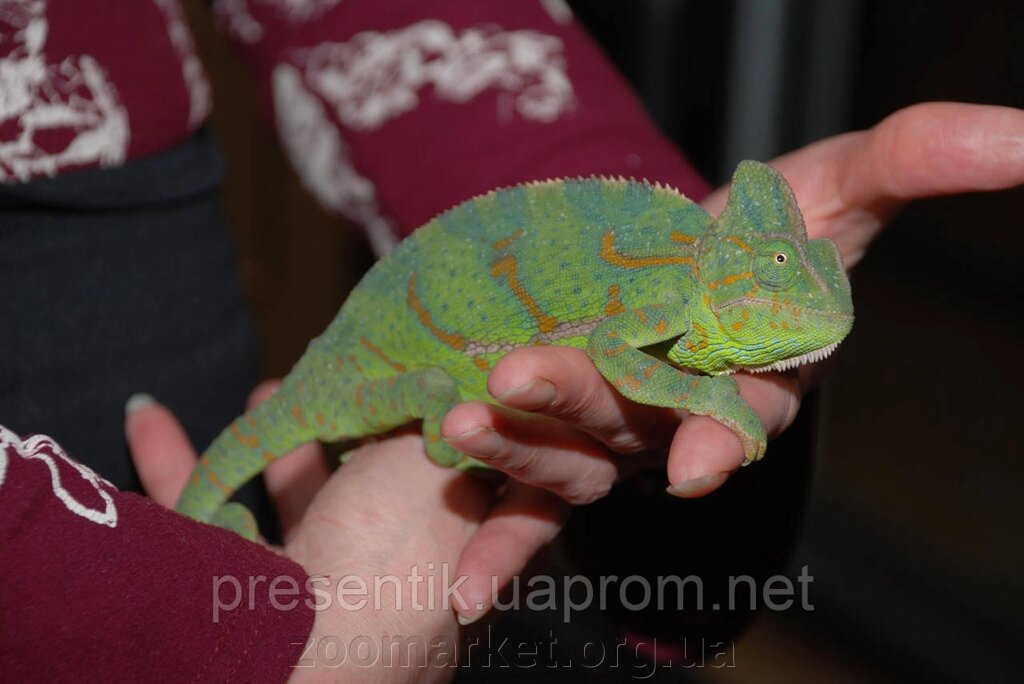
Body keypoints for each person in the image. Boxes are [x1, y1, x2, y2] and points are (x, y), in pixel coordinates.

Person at [2, 0, 1022, 680]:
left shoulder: (690, 259)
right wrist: (253, 641)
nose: (796, 311)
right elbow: (620, 359)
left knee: (242, 481)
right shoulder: (676, 298)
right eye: (776, 292)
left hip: (163, 247)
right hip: (350, 375)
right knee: (427, 420)